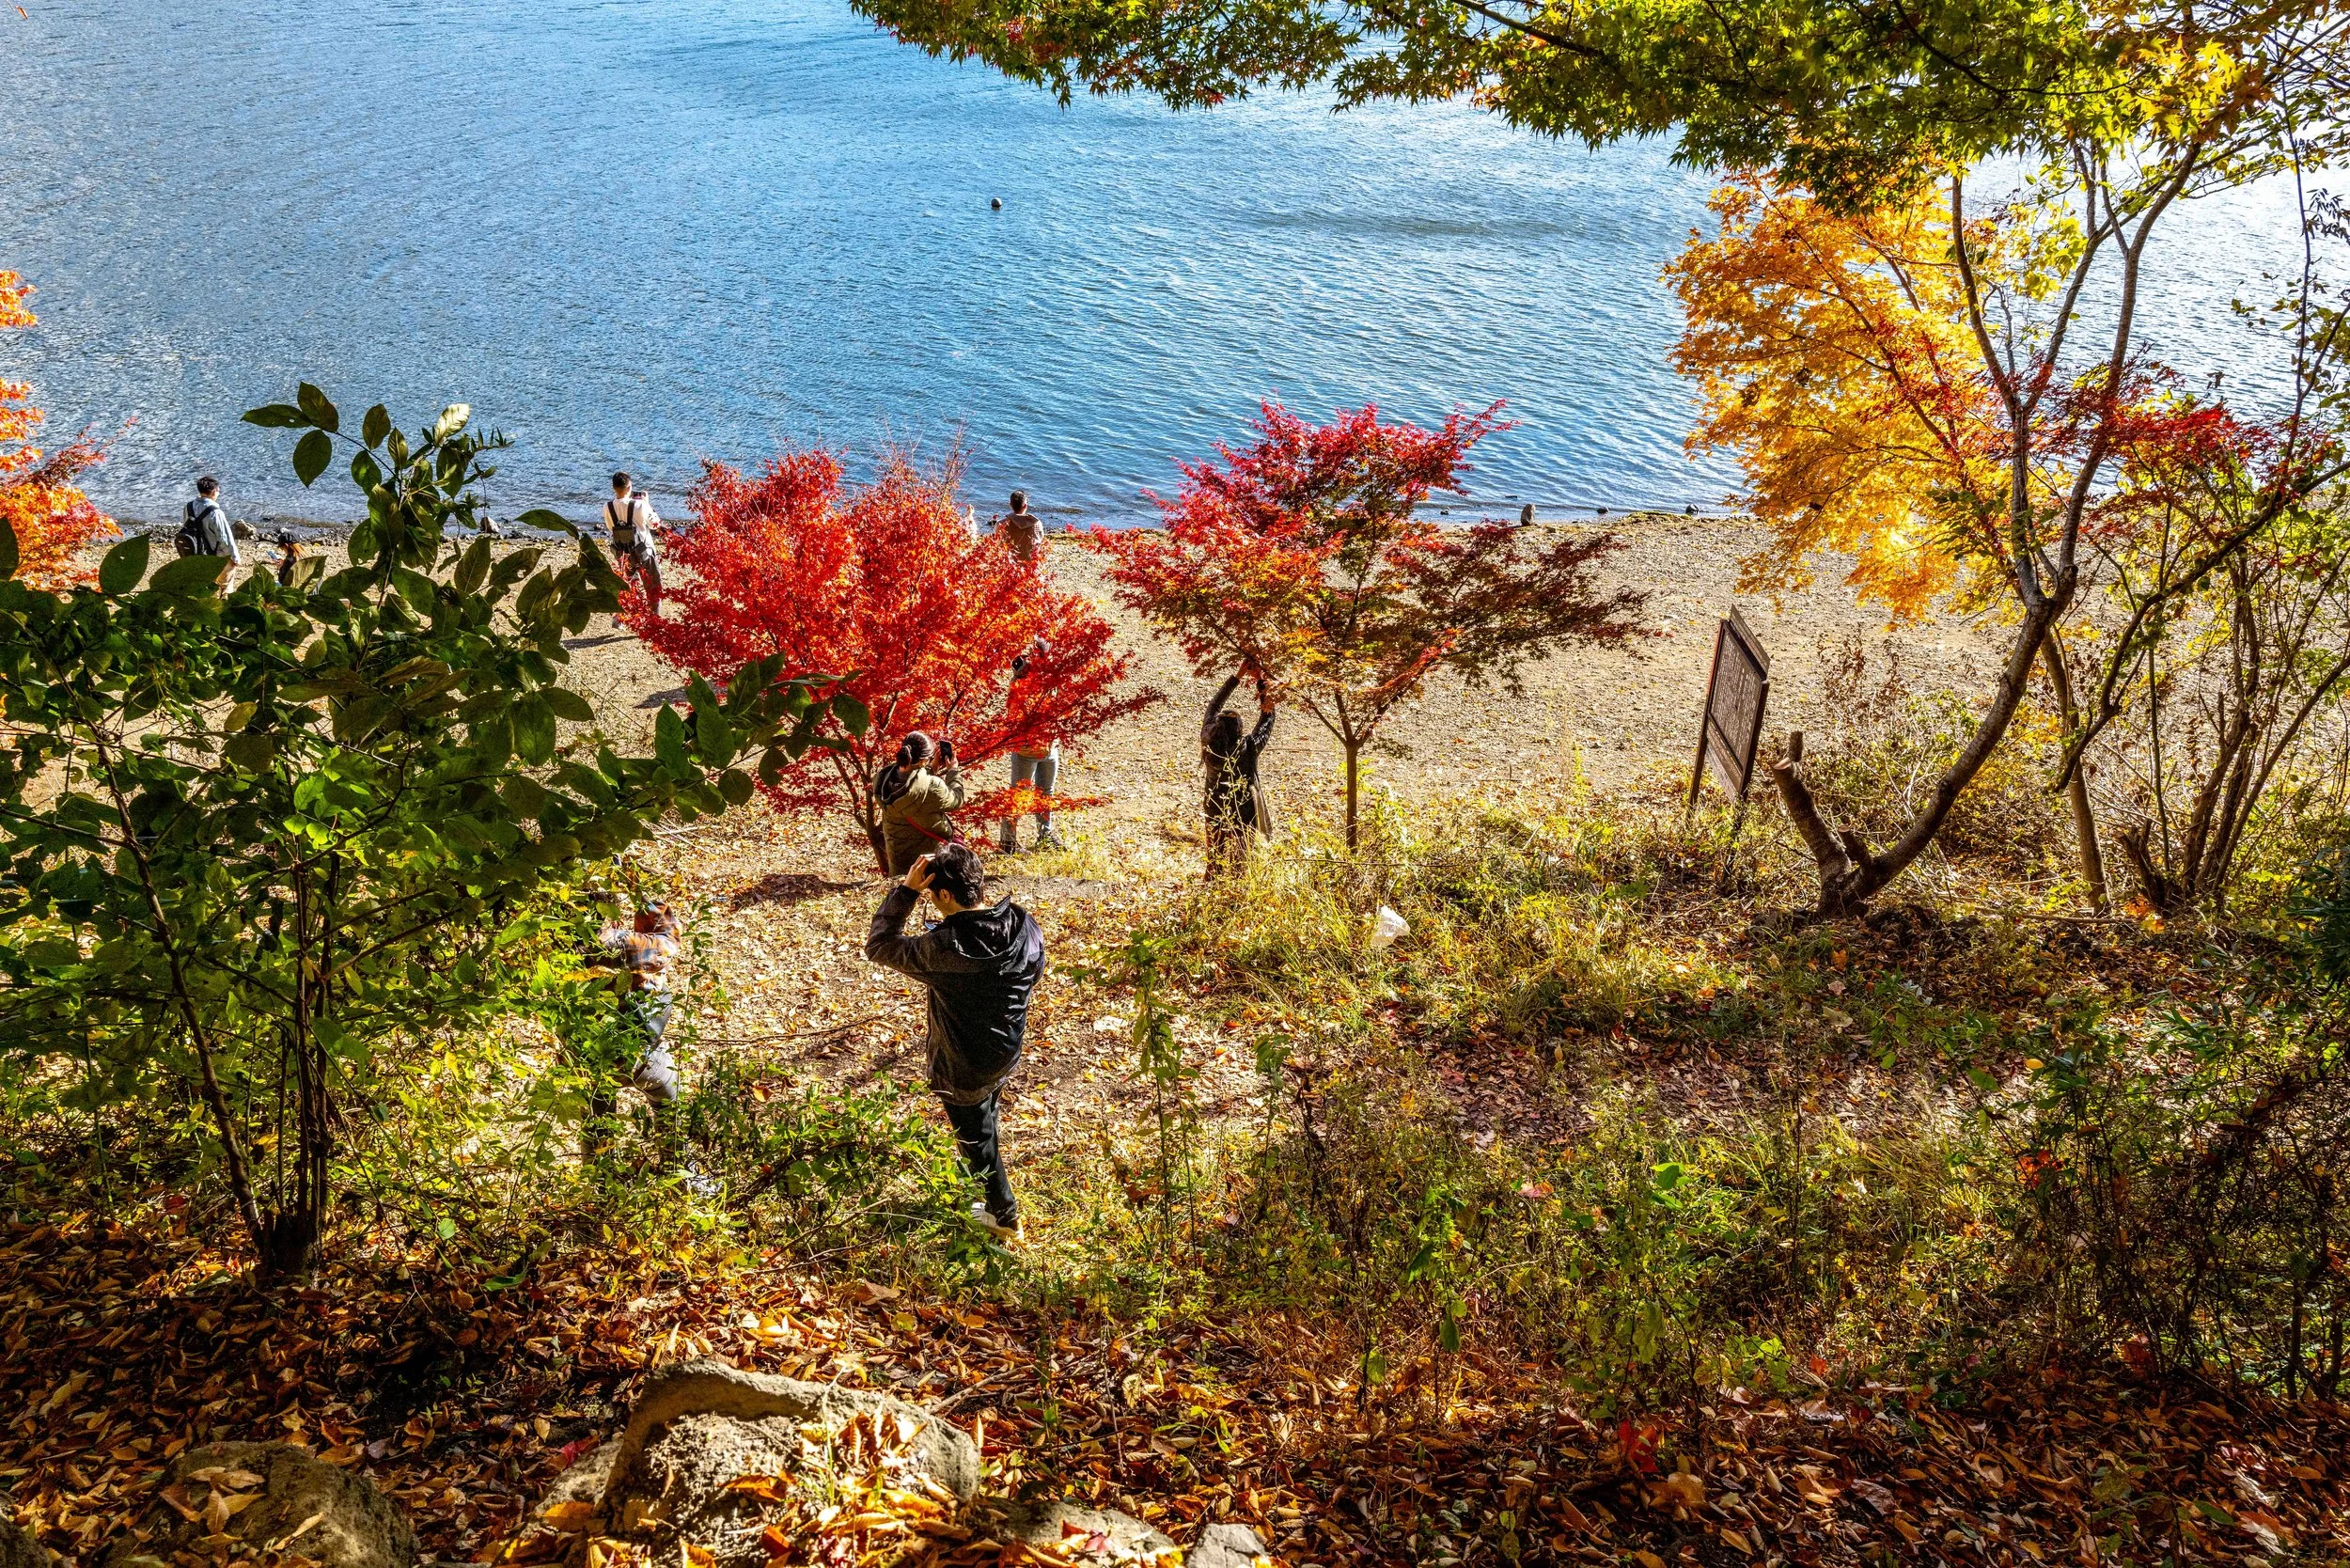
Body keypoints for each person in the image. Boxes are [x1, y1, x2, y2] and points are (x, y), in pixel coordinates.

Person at [865, 843, 1043, 1238]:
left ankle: (1001, 1218)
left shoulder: (945, 948)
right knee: (985, 1120)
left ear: (944, 895)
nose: (931, 901)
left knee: (975, 1141)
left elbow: (878, 945)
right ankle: (979, 1196)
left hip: (964, 1063)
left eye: (932, 896)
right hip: (1006, 1047)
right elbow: (1034, 972)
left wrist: (906, 892)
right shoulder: (1022, 923)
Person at [583, 901, 683, 1154]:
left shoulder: (557, 943)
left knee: (597, 1130)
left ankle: (600, 1188)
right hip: (637, 1059)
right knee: (667, 1098)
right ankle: (681, 1174)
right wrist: (646, 900)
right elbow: (667, 943)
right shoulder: (619, 944)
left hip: (583, 1061)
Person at [1201, 672, 1277, 877]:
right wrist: (1261, 682)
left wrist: (1238, 676)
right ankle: (1235, 898)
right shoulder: (1250, 747)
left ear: (1216, 727)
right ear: (1240, 731)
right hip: (1244, 813)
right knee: (1240, 867)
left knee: (1213, 865)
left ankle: (1210, 895)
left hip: (1214, 807)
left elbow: (1213, 705)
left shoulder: (1208, 741)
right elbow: (1268, 717)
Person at [999, 638, 1062, 854]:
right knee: (1018, 796)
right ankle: (1008, 843)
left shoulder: (1051, 680)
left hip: (1049, 747)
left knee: (1046, 793)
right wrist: (1022, 674)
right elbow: (1015, 713)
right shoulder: (1019, 683)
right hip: (1026, 751)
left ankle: (1045, 836)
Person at [878, 730, 966, 875]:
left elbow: (911, 786)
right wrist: (953, 771)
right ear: (924, 760)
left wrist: (931, 768)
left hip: (898, 862)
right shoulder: (932, 787)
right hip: (927, 863)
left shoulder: (883, 778)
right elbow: (956, 800)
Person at [604, 472, 664, 617]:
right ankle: (654, 618)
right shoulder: (640, 505)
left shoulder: (607, 507)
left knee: (626, 584)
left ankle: (620, 617)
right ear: (629, 487)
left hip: (623, 551)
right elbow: (655, 524)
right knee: (653, 586)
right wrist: (647, 504)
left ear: (613, 487)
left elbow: (609, 526)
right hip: (644, 551)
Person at [178, 477, 242, 565]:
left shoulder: (188, 507)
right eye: (218, 491)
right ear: (214, 491)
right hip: (211, 554)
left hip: (192, 550)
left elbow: (186, 525)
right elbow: (224, 537)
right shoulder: (216, 512)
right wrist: (235, 557)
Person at [995, 490, 1042, 563]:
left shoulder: (1001, 524)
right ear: (1025, 506)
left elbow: (997, 545)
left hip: (1007, 565)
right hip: (1030, 565)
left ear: (1010, 505)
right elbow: (1039, 544)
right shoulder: (1037, 524)